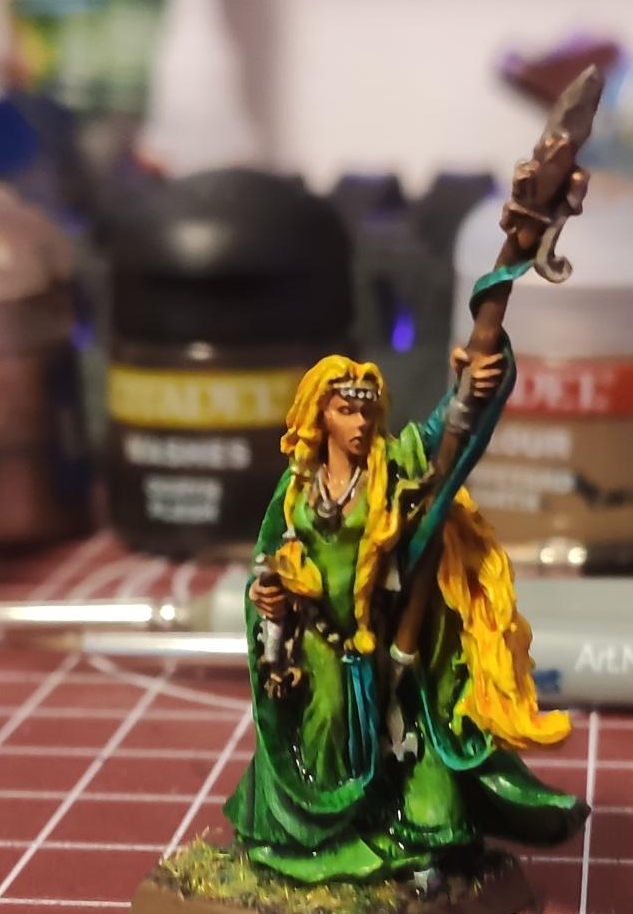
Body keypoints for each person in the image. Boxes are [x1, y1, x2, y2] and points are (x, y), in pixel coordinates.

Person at [221, 346, 587, 885]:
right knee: (325, 728)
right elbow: (269, 560)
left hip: (385, 644)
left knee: (408, 751)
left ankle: (411, 829)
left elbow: (448, 430)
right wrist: (267, 596)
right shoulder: (298, 485)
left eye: (367, 411)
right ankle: (320, 839)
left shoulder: (392, 467)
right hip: (318, 641)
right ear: (320, 414)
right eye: (346, 410)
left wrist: (469, 383)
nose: (360, 423)